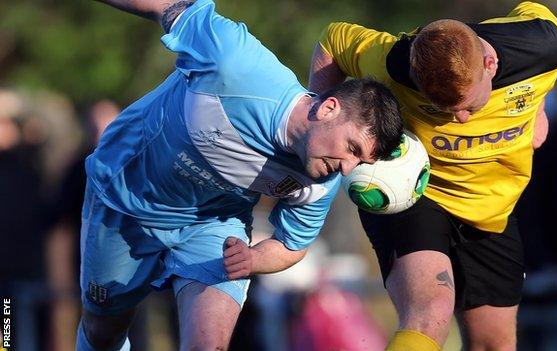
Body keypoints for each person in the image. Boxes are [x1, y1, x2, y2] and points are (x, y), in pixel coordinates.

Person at [78, 0, 404, 350]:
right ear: (328, 108)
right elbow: (166, 6)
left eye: (361, 162)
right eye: (353, 149)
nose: (347, 168)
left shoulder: (321, 180)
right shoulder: (235, 62)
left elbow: (293, 246)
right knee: (103, 333)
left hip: (213, 225)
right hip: (125, 199)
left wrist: (253, 258)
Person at [309, 2, 557, 350]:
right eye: (441, 107)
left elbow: (542, 46)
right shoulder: (394, 60)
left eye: (465, 104)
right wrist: (319, 131)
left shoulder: (543, 45)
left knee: (495, 344)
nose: (459, 119)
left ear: (490, 65)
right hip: (412, 191)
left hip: (491, 208)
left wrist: (537, 103)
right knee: (429, 313)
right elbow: (333, 41)